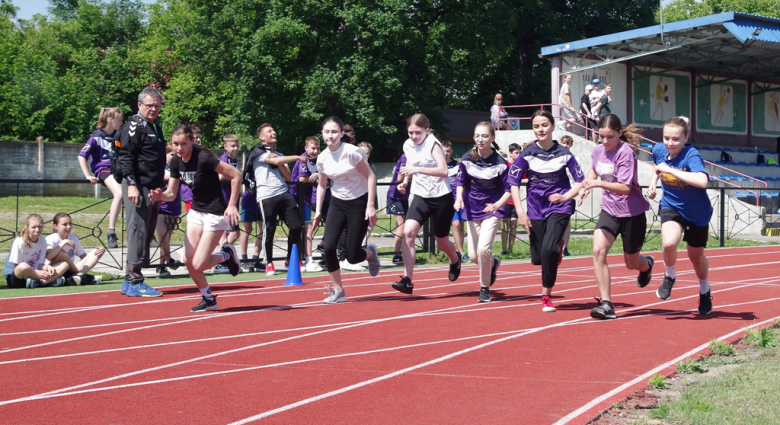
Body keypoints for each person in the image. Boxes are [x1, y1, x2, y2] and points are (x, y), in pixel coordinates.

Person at [150, 125, 242, 312]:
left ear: (192, 141)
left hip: (215, 213)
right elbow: (171, 193)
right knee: (187, 260)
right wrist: (161, 196)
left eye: (183, 143)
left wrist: (232, 205)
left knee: (199, 264)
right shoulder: (176, 162)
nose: (179, 148)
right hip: (197, 212)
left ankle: (226, 255)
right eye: (176, 144)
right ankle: (208, 298)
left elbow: (236, 175)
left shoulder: (204, 158)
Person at [578, 114, 654, 319]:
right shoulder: (598, 150)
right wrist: (587, 185)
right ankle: (606, 304)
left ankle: (646, 265)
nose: (604, 141)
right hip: (609, 210)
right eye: (601, 136)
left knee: (631, 262)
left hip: (632, 213)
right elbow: (593, 170)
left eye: (609, 137)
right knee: (598, 250)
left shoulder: (626, 153)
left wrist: (598, 183)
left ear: (620, 133)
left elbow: (625, 188)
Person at [508, 110, 584, 312]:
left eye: (544, 125)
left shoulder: (565, 154)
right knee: (539, 257)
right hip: (534, 208)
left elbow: (580, 182)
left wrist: (566, 197)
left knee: (548, 250)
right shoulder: (527, 153)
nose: (540, 129)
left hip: (559, 206)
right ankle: (555, 248)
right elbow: (513, 183)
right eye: (536, 126)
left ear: (552, 126)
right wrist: (520, 212)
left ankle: (546, 296)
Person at [647, 116, 713, 315]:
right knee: (668, 243)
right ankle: (670, 276)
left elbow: (702, 181)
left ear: (686, 137)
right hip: (671, 206)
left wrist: (671, 171)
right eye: (666, 138)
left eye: (675, 139)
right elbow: (658, 166)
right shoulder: (659, 149)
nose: (670, 143)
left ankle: (704, 290)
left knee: (696, 257)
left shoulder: (691, 155)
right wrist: (653, 182)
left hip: (696, 212)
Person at [313, 116, 381, 304]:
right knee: (327, 248)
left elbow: (371, 176)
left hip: (359, 203)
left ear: (342, 133)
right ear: (322, 134)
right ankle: (338, 290)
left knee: (352, 256)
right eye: (327, 132)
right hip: (337, 202)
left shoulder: (352, 152)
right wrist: (318, 211)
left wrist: (370, 205)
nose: (331, 135)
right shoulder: (322, 157)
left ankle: (370, 253)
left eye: (335, 132)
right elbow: (322, 184)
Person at [391, 114, 462, 294]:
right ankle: (408, 280)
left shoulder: (433, 144)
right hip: (421, 195)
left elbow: (443, 170)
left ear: (427, 129)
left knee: (442, 243)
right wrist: (406, 180)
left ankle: (455, 259)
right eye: (410, 132)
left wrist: (417, 170)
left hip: (441, 197)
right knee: (409, 231)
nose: (414, 136)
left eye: (418, 132)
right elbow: (410, 164)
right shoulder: (407, 144)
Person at [117, 87, 167, 297]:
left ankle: (130, 280)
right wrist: (131, 184)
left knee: (146, 232)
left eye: (157, 105)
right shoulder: (134, 126)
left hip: (152, 188)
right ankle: (135, 280)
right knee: (137, 231)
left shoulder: (154, 126)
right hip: (138, 186)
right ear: (139, 105)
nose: (153, 109)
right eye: (149, 105)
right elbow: (126, 155)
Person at [454, 122, 511, 303]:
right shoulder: (466, 158)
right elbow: (460, 182)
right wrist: (458, 198)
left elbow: (509, 189)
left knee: (483, 249)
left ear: (492, 138)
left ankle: (484, 288)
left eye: (485, 136)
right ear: (473, 138)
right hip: (472, 209)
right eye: (477, 136)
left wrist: (497, 205)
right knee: (473, 256)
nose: (481, 139)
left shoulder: (501, 163)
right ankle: (492, 264)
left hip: (493, 209)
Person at [244, 124, 305, 276]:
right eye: (269, 131)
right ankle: (269, 262)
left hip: (283, 192)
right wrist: (297, 157)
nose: (273, 132)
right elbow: (275, 162)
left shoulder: (279, 154)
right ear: (261, 137)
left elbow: (288, 177)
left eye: (273, 130)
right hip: (267, 195)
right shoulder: (257, 152)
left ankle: (291, 258)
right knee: (269, 228)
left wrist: (281, 160)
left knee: (296, 225)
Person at [77, 107, 124, 249]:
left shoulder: (118, 135)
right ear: (110, 119)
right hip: (103, 170)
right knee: (120, 193)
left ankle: (146, 233)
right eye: (119, 120)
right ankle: (111, 232)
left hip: (117, 169)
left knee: (135, 192)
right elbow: (81, 156)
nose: (122, 123)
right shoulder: (96, 136)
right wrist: (87, 175)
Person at [289, 136, 324, 272]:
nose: (315, 151)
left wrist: (318, 175)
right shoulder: (304, 159)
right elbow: (302, 178)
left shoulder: (316, 161)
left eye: (317, 148)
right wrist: (316, 176)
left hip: (307, 197)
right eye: (313, 148)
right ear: (306, 148)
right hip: (298, 197)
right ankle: (308, 259)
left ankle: (299, 259)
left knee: (305, 227)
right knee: (306, 227)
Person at [4, 214, 67, 288]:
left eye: (40, 227)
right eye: (33, 227)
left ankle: (41, 282)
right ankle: (49, 281)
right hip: (18, 277)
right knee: (24, 266)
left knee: (64, 264)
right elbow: (18, 267)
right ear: (27, 228)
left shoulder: (42, 240)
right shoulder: (19, 242)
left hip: (35, 274)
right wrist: (39, 273)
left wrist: (47, 268)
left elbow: (39, 264)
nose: (37, 230)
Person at [45, 213, 105, 285]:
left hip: (71, 269)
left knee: (97, 251)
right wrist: (64, 242)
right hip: (56, 269)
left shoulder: (73, 237)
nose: (68, 227)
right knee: (61, 254)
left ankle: (78, 275)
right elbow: (49, 256)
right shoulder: (51, 238)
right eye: (65, 224)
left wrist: (99, 252)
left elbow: (84, 257)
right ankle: (79, 275)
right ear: (55, 226)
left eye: (70, 224)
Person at [212, 134, 242, 273]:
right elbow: (219, 175)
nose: (235, 148)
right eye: (232, 146)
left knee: (232, 233)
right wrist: (234, 175)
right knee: (230, 232)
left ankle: (223, 258)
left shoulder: (234, 159)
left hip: (232, 199)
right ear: (225, 147)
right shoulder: (223, 159)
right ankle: (222, 259)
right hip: (224, 200)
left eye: (237, 146)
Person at [155, 145, 181, 277]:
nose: (174, 157)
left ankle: (161, 266)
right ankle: (170, 260)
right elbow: (167, 177)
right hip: (161, 205)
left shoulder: (178, 166)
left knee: (166, 239)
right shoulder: (160, 167)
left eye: (175, 154)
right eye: (171, 154)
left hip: (174, 205)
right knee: (162, 234)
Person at [442, 140, 468, 263]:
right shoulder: (438, 165)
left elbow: (463, 180)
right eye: (444, 151)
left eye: (448, 151)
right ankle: (461, 253)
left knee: (461, 226)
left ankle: (459, 250)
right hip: (447, 200)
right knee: (456, 224)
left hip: (459, 198)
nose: (446, 153)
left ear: (451, 151)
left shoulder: (458, 165)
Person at [386, 154, 409, 265]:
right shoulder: (406, 157)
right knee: (402, 225)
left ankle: (401, 252)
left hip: (404, 196)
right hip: (395, 195)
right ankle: (396, 255)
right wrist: (417, 173)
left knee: (401, 225)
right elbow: (400, 178)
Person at [501, 143, 521, 255]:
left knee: (513, 224)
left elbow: (524, 179)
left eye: (519, 153)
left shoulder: (519, 166)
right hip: (505, 199)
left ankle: (510, 249)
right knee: (505, 225)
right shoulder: (505, 164)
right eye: (516, 153)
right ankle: (503, 249)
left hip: (515, 199)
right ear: (510, 153)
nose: (518, 155)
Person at [560, 135, 578, 256]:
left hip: (570, 193)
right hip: (557, 192)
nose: (566, 145)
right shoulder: (557, 158)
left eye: (568, 143)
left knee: (566, 221)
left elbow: (579, 177)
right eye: (564, 143)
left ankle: (565, 247)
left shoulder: (575, 159)